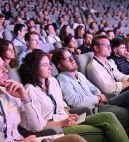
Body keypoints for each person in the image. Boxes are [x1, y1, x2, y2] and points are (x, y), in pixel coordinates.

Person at [19, 49, 129, 142]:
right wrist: (62, 122)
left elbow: (61, 104)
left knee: (108, 117)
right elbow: (36, 126)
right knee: (105, 131)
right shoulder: (29, 91)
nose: (50, 68)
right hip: (57, 128)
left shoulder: (52, 81)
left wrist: (69, 114)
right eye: (45, 65)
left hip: (69, 120)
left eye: (49, 64)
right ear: (34, 69)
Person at [0, 57, 88, 142]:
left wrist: (25, 99)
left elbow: (38, 126)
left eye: (4, 65)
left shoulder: (10, 93)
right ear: (35, 69)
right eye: (45, 65)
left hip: (30, 137)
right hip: (53, 129)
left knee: (101, 119)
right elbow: (35, 128)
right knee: (76, 139)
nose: (6, 70)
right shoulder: (29, 89)